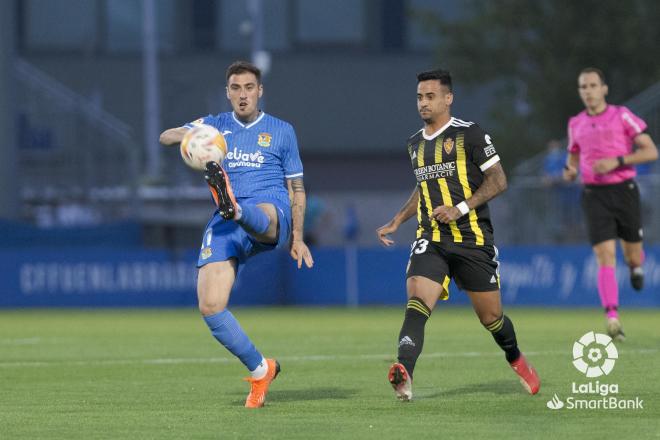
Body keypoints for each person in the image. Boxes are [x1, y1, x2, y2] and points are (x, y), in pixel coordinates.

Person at [376, 69, 540, 401]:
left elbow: (498, 180)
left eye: (431, 96)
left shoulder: (471, 135)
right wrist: (397, 220)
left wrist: (459, 209)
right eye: (420, 97)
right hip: (431, 238)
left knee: (492, 318)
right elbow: (423, 188)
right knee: (417, 303)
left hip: (472, 238)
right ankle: (404, 372)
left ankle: (516, 358)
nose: (423, 103)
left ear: (448, 98)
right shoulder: (414, 143)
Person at [159, 60, 314, 408]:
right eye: (235, 88)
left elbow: (297, 189)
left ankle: (236, 208)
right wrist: (193, 137)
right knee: (211, 306)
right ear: (227, 92)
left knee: (265, 213)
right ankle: (261, 370)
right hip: (226, 221)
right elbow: (164, 136)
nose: (242, 95)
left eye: (248, 88)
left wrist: (299, 236)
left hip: (269, 206)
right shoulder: (214, 126)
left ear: (260, 91)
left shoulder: (281, 130)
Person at [563, 67, 658, 341]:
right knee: (605, 255)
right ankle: (613, 318)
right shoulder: (575, 123)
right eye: (583, 87)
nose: (588, 91)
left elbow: (651, 151)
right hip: (594, 195)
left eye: (593, 85)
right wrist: (570, 172)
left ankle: (636, 266)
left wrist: (617, 161)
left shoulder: (622, 115)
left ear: (604, 89)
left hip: (624, 191)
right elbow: (572, 159)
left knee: (631, 255)